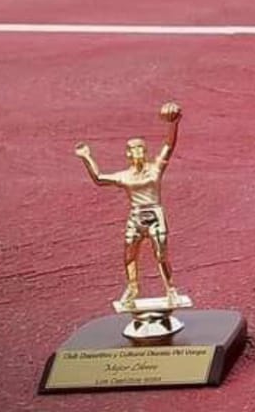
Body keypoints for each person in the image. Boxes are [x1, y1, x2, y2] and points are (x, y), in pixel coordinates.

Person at [74, 102, 183, 309]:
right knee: (129, 254)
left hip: (154, 214)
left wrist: (174, 124)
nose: (138, 151)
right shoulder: (124, 176)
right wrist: (86, 157)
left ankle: (170, 289)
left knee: (161, 254)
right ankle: (133, 287)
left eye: (141, 148)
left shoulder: (155, 169)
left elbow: (169, 146)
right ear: (128, 154)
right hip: (135, 217)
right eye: (134, 149)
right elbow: (99, 178)